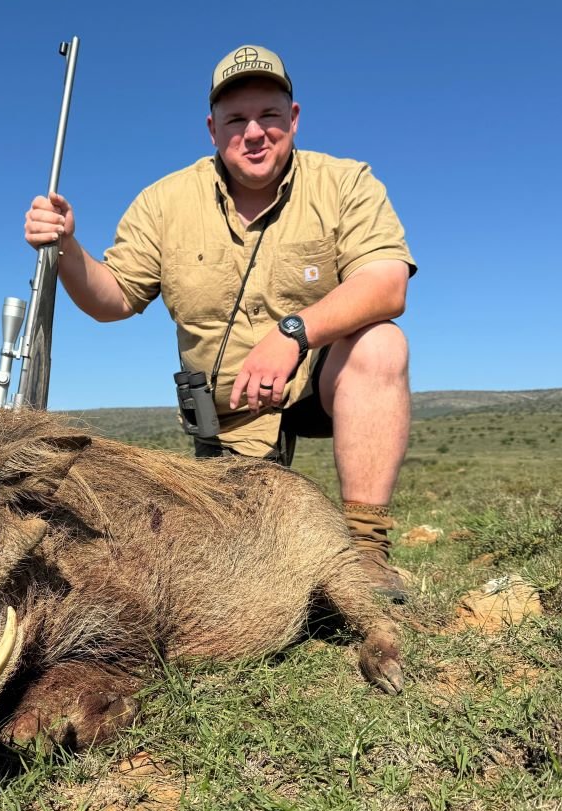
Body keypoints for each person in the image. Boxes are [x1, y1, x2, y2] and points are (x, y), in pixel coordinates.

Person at [23, 44, 417, 600]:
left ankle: (367, 551)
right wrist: (66, 247)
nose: (254, 133)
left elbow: (386, 283)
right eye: (236, 120)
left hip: (316, 386)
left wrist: (291, 335)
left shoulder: (347, 182)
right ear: (213, 130)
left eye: (269, 116)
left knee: (381, 344)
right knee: (241, 579)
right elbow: (112, 298)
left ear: (294, 118)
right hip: (230, 413)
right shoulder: (163, 202)